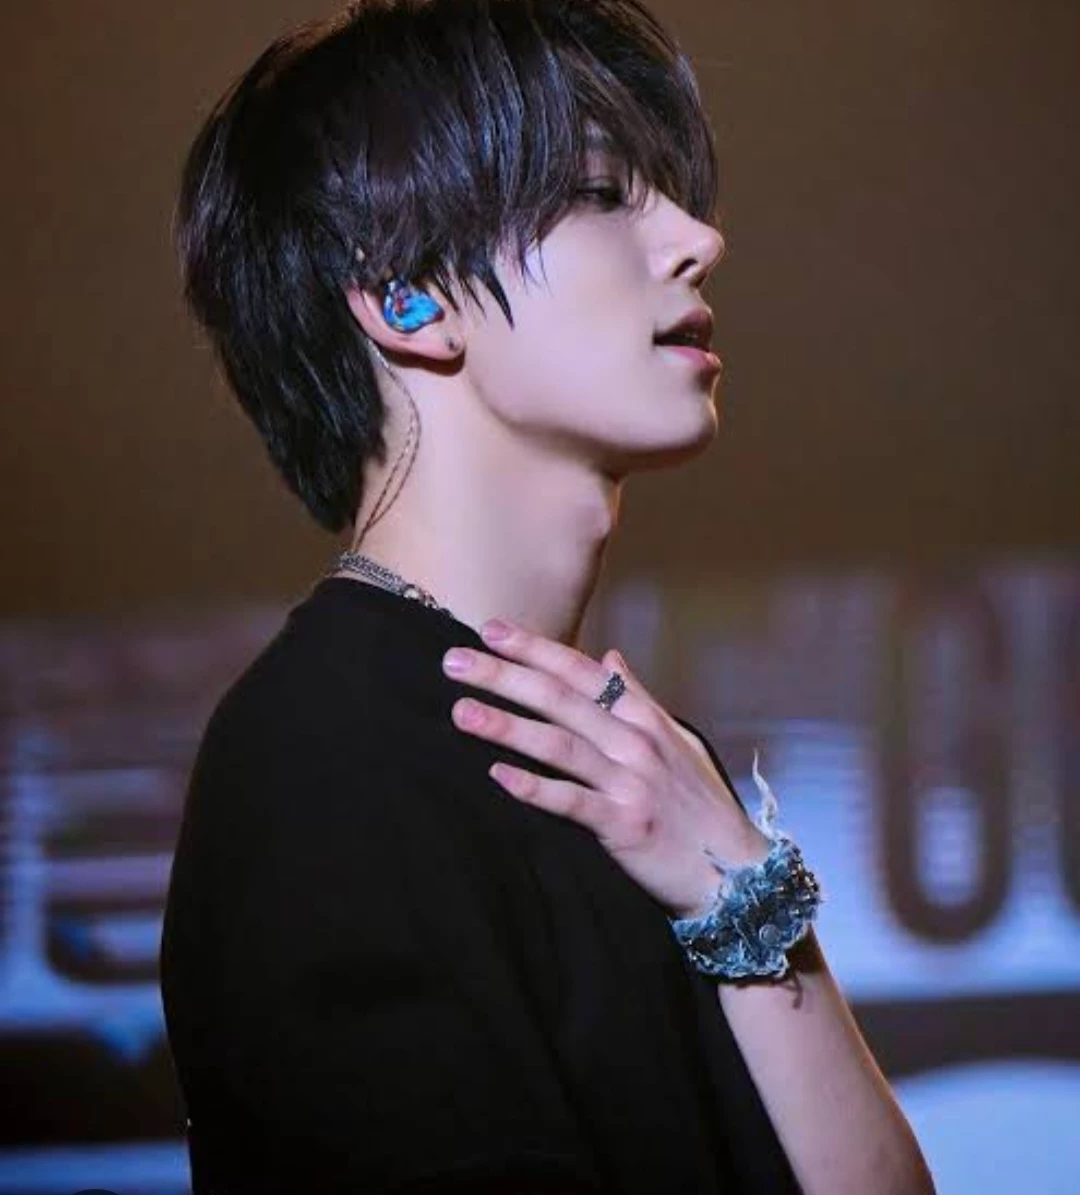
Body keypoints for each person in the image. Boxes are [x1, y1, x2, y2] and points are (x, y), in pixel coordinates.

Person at [159, 2, 935, 1192]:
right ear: (407, 296)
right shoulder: (323, 749)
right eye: (602, 192)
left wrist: (740, 888)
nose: (699, 239)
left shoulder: (650, 764)